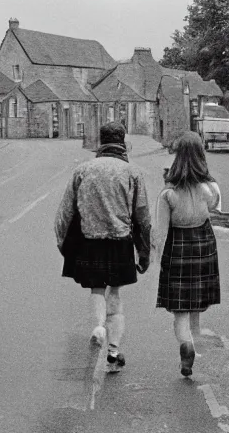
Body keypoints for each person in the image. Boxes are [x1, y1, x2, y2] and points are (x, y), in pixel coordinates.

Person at [55, 121, 151, 372]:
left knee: (97, 289)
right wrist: (144, 252)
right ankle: (113, 351)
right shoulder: (132, 173)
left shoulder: (82, 170)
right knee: (115, 296)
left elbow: (65, 213)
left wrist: (63, 245)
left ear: (100, 142)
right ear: (122, 142)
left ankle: (98, 327)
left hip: (90, 240)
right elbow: (143, 217)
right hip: (120, 241)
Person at [152, 131, 222, 377]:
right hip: (203, 247)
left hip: (177, 250)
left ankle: (186, 345)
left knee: (179, 311)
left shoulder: (168, 194)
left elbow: (159, 232)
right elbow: (215, 204)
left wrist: (153, 258)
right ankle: (194, 339)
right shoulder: (207, 189)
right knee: (195, 302)